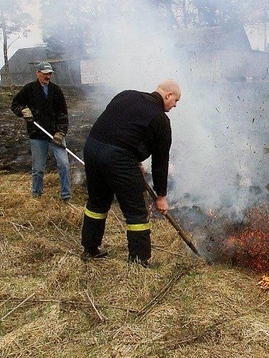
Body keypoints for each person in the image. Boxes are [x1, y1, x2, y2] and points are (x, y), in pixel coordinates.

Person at [81, 79, 181, 266]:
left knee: (97, 203)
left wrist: (132, 158)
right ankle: (139, 260)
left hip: (92, 148)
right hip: (116, 158)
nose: (175, 105)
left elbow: (120, 128)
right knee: (136, 212)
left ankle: (90, 248)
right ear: (168, 95)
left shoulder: (126, 94)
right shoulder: (160, 119)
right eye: (175, 100)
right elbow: (160, 162)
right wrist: (161, 196)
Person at [11, 61, 71, 201]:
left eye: (50, 73)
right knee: (38, 168)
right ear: (37, 73)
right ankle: (36, 195)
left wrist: (60, 132)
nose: (48, 76)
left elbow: (63, 113)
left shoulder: (56, 91)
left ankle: (66, 195)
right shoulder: (29, 89)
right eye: (45, 74)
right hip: (37, 134)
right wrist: (23, 111)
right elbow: (15, 104)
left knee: (64, 164)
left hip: (55, 133)